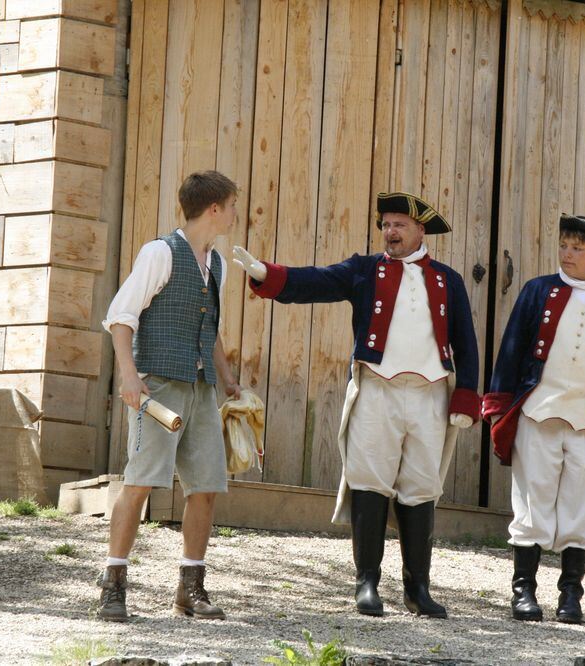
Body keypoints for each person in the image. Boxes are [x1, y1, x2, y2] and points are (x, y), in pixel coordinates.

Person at [232, 192, 480, 618]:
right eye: (386, 224)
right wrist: (266, 276)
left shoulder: (447, 280)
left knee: (421, 486)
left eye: (400, 224)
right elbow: (319, 280)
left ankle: (417, 589)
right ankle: (367, 583)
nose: (391, 231)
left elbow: (467, 342)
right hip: (377, 388)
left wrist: (467, 395)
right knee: (369, 480)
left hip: (429, 397)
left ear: (421, 230)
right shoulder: (366, 270)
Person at [481, 214, 585, 624]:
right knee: (531, 504)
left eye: (576, 248)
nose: (567, 254)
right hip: (539, 413)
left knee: (580, 508)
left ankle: (571, 596)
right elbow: (512, 348)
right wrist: (498, 403)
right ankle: (524, 593)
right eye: (564, 246)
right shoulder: (538, 291)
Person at [97, 170, 242, 622]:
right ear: (214, 208)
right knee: (140, 482)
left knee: (206, 488)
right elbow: (121, 317)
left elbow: (209, 329)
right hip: (158, 387)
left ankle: (189, 589)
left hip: (201, 390)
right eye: (233, 204)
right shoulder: (161, 252)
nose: (236, 212)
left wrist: (228, 378)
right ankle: (113, 585)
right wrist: (129, 377)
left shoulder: (215, 261)